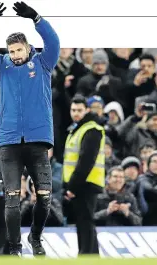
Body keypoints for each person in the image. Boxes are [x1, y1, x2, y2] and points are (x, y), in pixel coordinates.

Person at [0, 1, 60, 256]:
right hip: (10, 142)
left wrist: (36, 18)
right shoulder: (3, 65)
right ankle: (14, 248)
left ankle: (35, 238)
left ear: (28, 47)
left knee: (44, 198)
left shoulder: (44, 63)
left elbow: (53, 41)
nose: (15, 55)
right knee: (11, 199)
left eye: (19, 50)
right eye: (11, 51)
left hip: (37, 141)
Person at [62, 96, 106, 254]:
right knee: (83, 223)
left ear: (87, 110)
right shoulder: (77, 129)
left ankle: (86, 255)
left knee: (85, 223)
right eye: (73, 110)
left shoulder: (91, 129)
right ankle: (90, 255)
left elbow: (86, 161)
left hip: (86, 183)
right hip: (80, 183)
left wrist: (72, 186)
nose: (76, 113)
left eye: (79, 110)